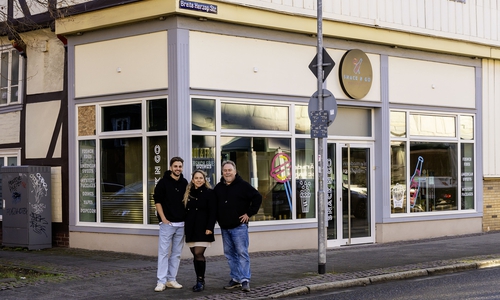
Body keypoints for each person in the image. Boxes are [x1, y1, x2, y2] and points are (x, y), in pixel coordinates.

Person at [213, 160, 262, 292]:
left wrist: (249, 214)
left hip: (239, 227)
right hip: (225, 227)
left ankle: (245, 280)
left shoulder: (243, 186)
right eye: (225, 170)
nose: (227, 172)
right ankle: (236, 279)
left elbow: (257, 197)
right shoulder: (218, 188)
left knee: (242, 253)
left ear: (235, 171)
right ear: (222, 172)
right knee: (229, 254)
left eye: (230, 170)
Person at [153, 156, 188, 292]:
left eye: (180, 166)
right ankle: (161, 281)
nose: (178, 169)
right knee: (163, 253)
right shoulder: (162, 183)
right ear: (170, 167)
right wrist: (163, 219)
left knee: (176, 254)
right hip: (167, 224)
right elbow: (157, 202)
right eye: (175, 166)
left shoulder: (184, 182)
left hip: (181, 224)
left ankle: (171, 279)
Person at [183, 169, 217, 292]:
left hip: (204, 229)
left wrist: (210, 228)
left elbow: (213, 212)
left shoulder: (209, 193)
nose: (198, 180)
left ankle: (200, 281)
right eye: (196, 178)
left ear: (204, 179)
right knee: (195, 255)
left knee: (198, 253)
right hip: (191, 228)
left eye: (201, 178)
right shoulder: (188, 193)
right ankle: (198, 278)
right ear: (193, 180)